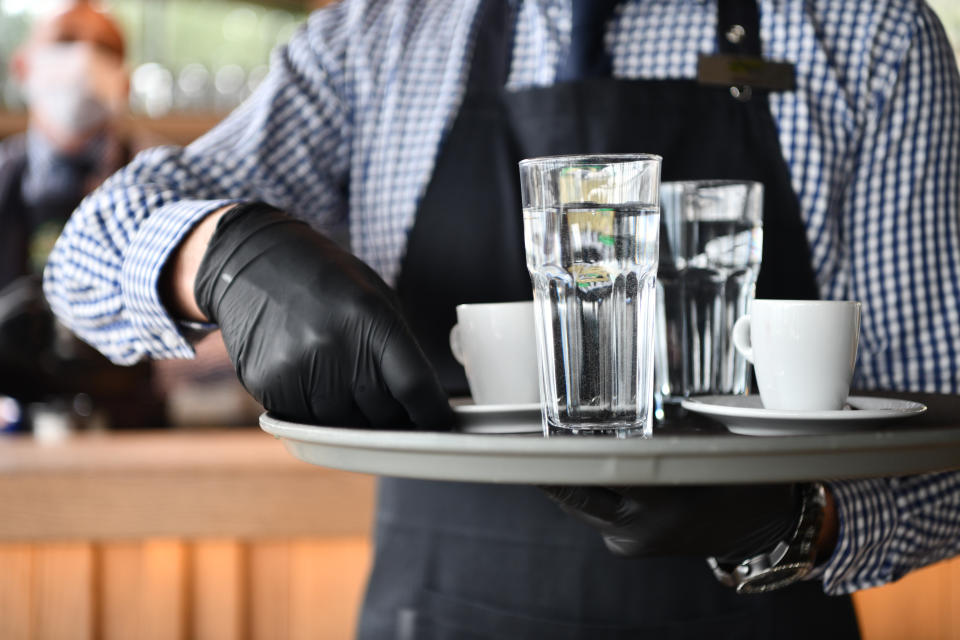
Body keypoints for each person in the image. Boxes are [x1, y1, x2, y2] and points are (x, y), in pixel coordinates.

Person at [44, 0, 960, 637]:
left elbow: (948, 437)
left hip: (759, 618)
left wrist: (799, 522)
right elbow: (86, 253)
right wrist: (221, 254)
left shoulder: (869, 35)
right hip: (435, 616)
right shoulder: (376, 40)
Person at [0, 0, 166, 429]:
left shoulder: (168, 182)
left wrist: (157, 367)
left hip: (140, 438)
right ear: (22, 67)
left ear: (124, 82)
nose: (83, 59)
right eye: (66, 40)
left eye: (105, 48)